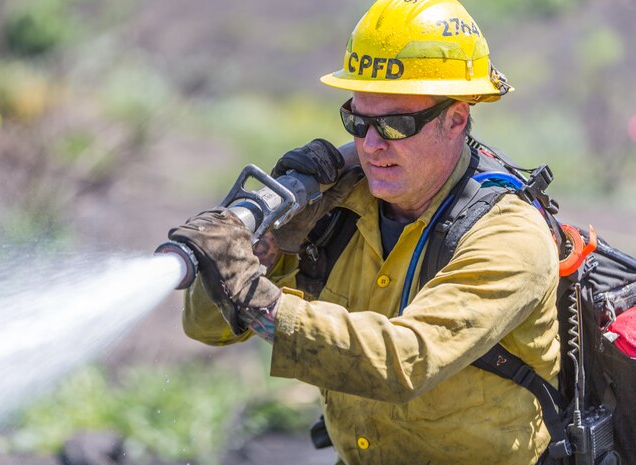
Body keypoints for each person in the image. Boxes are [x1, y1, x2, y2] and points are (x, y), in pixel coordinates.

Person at [167, 1, 561, 464]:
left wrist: (255, 296)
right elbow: (207, 329)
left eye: (396, 124)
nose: (372, 146)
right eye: (358, 121)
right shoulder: (335, 212)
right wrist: (262, 248)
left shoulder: (508, 236)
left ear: (456, 118)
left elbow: (405, 361)